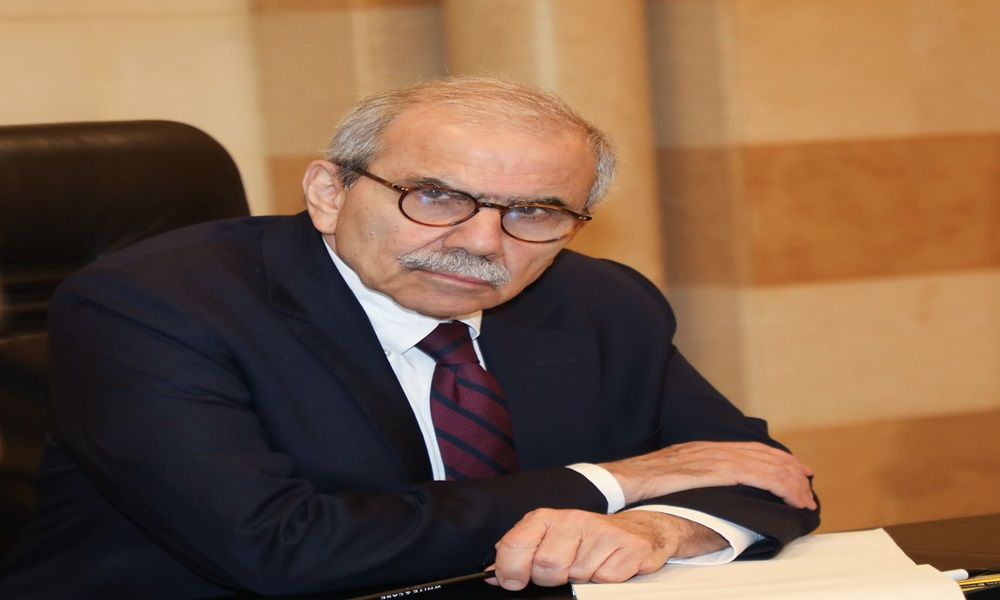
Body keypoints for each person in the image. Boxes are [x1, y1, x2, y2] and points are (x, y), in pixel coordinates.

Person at [0, 77, 818, 598]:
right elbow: (280, 550)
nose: (483, 243)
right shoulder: (152, 308)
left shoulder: (599, 302)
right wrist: (616, 483)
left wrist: (654, 528)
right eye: (435, 197)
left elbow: (760, 478)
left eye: (536, 212)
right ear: (329, 193)